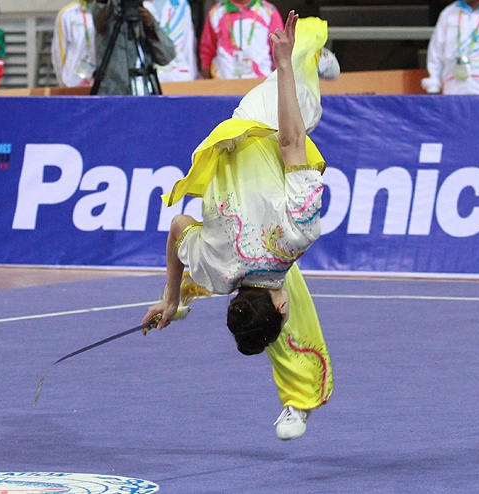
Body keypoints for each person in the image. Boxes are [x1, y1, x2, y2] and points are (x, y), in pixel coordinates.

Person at [142, 11, 338, 440]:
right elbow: (177, 226)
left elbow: (291, 141)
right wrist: (170, 297)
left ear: (281, 309)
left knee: (303, 84)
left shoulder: (299, 232)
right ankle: (297, 398)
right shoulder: (217, 271)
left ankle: (314, 52)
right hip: (229, 141)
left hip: (263, 123)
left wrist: (283, 64)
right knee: (272, 273)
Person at [91, 0, 176, 95]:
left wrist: (151, 26)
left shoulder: (143, 15)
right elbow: (99, 16)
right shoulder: (106, 11)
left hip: (144, 93)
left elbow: (167, 56)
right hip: (114, 93)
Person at [198, 0, 284, 79]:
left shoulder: (268, 11)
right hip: (223, 82)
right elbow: (207, 51)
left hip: (261, 82)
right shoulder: (216, 12)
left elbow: (279, 50)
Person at [51, 0, 97, 88]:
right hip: (73, 83)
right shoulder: (68, 14)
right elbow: (58, 52)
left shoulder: (111, 12)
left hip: (105, 84)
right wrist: (64, 84)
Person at [150, 0, 198, 82]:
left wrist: (193, 76)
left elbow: (189, 44)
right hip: (149, 75)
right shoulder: (136, 6)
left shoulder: (181, 4)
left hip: (178, 75)